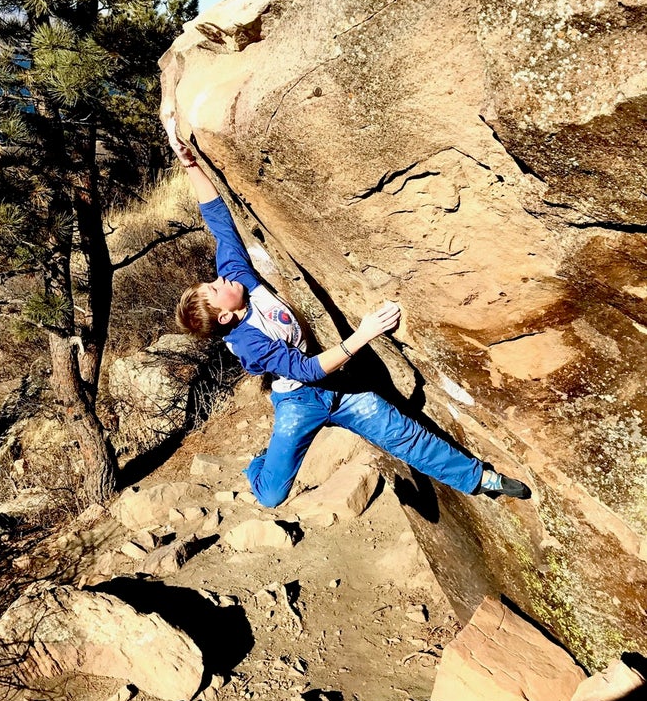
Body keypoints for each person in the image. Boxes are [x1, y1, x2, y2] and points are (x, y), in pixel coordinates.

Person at [163, 117, 530, 507]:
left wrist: (189, 163)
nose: (219, 279)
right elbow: (307, 371)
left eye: (213, 281)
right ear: (224, 316)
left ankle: (482, 478)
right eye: (215, 289)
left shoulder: (238, 278)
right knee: (271, 495)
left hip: (338, 388)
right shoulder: (249, 343)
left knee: (404, 435)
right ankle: (259, 465)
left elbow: (219, 221)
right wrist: (365, 333)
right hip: (298, 402)